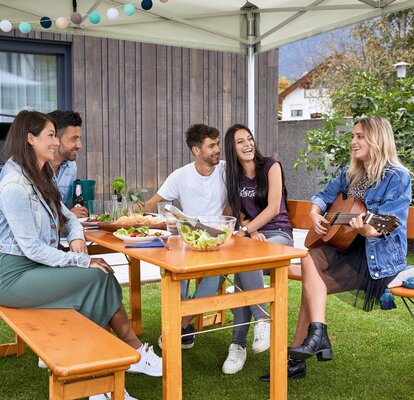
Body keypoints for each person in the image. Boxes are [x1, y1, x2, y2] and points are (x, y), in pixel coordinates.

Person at [0, 111, 162, 400]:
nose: (54, 142)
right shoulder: (14, 185)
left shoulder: (40, 174)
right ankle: (114, 368)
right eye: (50, 135)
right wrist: (82, 259)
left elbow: (69, 217)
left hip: (33, 267)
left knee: (102, 278)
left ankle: (103, 378)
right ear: (30, 138)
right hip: (12, 275)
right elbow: (31, 248)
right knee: (96, 277)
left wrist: (76, 238)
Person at [275, 116, 410, 381]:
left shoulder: (398, 176)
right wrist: (315, 212)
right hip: (345, 249)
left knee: (312, 282)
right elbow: (324, 196)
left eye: (359, 136)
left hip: (375, 261)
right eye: (353, 136)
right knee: (311, 261)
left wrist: (366, 229)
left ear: (377, 138)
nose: (353, 142)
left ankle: (301, 355)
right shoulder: (351, 175)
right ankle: (316, 336)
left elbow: (389, 223)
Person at [141, 123, 227, 348]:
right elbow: (152, 203)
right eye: (211, 146)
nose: (217, 149)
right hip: (188, 239)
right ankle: (184, 328)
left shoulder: (227, 171)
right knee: (176, 274)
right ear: (196, 150)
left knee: (215, 274)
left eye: (218, 144)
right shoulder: (180, 176)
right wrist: (132, 211)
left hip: (219, 240)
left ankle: (180, 324)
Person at [222, 124, 293, 374]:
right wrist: (249, 229)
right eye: (240, 142)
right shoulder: (233, 177)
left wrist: (247, 230)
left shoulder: (271, 165)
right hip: (254, 238)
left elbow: (274, 207)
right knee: (244, 263)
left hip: (279, 234)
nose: (247, 144)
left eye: (249, 139)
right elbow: (235, 213)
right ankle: (256, 323)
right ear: (232, 149)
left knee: (244, 260)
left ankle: (243, 337)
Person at [48, 110, 88, 218]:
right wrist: (68, 215)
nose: (79, 145)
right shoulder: (32, 166)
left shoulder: (71, 167)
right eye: (74, 139)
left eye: (79, 138)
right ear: (55, 138)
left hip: (60, 233)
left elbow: (64, 208)